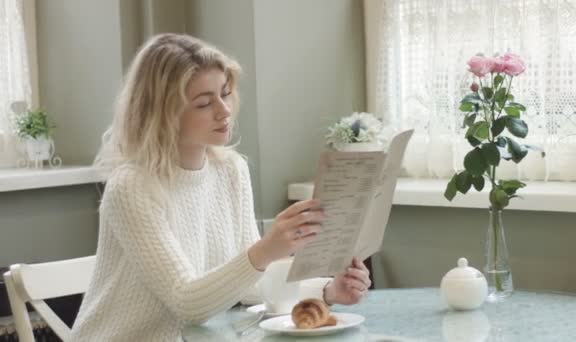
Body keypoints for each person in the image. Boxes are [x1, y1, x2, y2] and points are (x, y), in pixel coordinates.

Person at [69, 33, 371, 341]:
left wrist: (328, 291)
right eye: (203, 103)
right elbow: (187, 303)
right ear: (163, 113)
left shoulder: (230, 170)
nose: (223, 111)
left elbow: (252, 286)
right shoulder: (131, 187)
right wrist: (266, 250)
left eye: (225, 94)